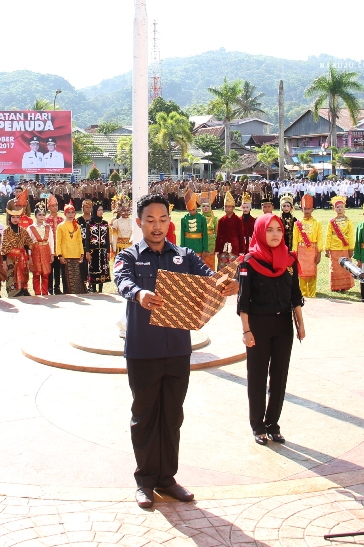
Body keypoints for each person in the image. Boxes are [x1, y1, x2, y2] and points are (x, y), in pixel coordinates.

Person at [113, 193, 237, 509]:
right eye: (150, 220)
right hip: (143, 350)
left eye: (163, 220)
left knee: (171, 416)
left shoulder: (184, 256)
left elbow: (210, 280)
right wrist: (139, 294)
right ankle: (145, 482)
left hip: (178, 350)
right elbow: (122, 281)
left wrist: (226, 283)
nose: (157, 227)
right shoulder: (128, 256)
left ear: (170, 221)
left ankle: (167, 480)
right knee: (144, 417)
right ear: (140, 222)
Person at [238, 213, 305, 445]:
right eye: (269, 230)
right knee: (257, 376)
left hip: (283, 326)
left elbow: (295, 294)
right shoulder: (249, 262)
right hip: (258, 326)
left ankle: (273, 423)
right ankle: (257, 426)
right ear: (260, 232)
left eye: (278, 229)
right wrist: (246, 330)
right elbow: (243, 300)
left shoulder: (289, 260)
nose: (275, 234)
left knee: (279, 376)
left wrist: (300, 323)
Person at [291, 194, 323, 299]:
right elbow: (295, 239)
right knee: (302, 273)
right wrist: (294, 253)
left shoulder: (317, 223)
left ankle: (312, 294)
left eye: (309, 209)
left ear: (312, 209)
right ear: (301, 210)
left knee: (312, 273)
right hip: (301, 250)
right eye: (305, 209)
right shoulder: (297, 223)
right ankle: (303, 293)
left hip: (312, 249)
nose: (307, 211)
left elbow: (319, 238)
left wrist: (319, 252)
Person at [324, 195, 355, 292]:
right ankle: (335, 286)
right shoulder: (331, 222)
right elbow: (328, 235)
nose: (339, 208)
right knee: (335, 267)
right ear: (334, 209)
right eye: (337, 207)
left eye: (341, 206)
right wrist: (327, 248)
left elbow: (350, 235)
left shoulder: (348, 221)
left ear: (344, 208)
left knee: (345, 267)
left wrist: (351, 248)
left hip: (344, 247)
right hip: (334, 248)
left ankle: (345, 286)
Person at [1, 204, 33, 297]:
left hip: (22, 257)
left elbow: (28, 244)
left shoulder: (23, 231)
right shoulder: (6, 231)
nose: (15, 219)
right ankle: (13, 292)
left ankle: (24, 290)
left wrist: (28, 256)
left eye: (17, 217)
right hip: (10, 258)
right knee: (11, 274)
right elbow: (3, 247)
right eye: (13, 217)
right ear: (9, 218)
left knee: (24, 273)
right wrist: (3, 261)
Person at [56, 203, 86, 294]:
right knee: (67, 279)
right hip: (65, 255)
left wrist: (81, 254)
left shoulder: (77, 226)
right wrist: (60, 255)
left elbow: (79, 241)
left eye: (72, 212)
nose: (70, 215)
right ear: (65, 214)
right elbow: (58, 242)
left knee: (77, 277)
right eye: (68, 212)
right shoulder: (60, 226)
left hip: (76, 255)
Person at [27, 203, 54, 296]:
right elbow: (29, 243)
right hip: (35, 251)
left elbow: (51, 241)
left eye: (43, 214)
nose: (41, 216)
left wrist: (52, 254)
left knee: (46, 274)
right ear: (35, 216)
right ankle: (37, 293)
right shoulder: (30, 228)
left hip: (46, 251)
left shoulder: (48, 227)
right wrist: (29, 255)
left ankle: (45, 292)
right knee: (36, 273)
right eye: (39, 214)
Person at [215, 191, 243, 268]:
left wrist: (241, 251)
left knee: (233, 269)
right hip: (222, 249)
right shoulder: (221, 220)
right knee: (222, 269)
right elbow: (218, 235)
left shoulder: (238, 220)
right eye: (225, 206)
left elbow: (241, 236)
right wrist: (217, 250)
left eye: (229, 206)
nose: (227, 208)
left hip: (234, 249)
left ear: (233, 207)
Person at [87, 204, 111, 292]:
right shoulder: (90, 223)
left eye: (102, 210)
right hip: (93, 251)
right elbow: (87, 239)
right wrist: (87, 252)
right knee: (94, 269)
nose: (101, 212)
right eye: (99, 210)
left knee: (102, 270)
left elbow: (107, 239)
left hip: (103, 251)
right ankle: (93, 288)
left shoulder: (105, 223)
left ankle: (100, 289)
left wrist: (108, 251)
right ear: (95, 211)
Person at [109, 195, 134, 261]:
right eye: (124, 210)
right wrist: (114, 250)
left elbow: (134, 236)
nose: (126, 212)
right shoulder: (116, 222)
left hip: (130, 248)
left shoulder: (133, 222)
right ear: (119, 210)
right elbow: (114, 237)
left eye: (127, 210)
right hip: (119, 248)